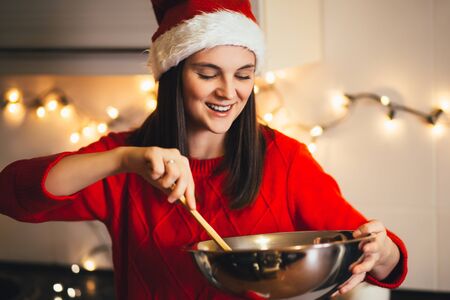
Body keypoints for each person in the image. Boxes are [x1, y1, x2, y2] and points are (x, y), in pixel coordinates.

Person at [0, 0, 407, 299]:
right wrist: (121, 161)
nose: (228, 92)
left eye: (243, 75)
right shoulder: (127, 160)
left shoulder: (285, 160)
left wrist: (383, 250)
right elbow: (11, 194)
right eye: (208, 73)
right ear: (174, 77)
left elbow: (378, 259)